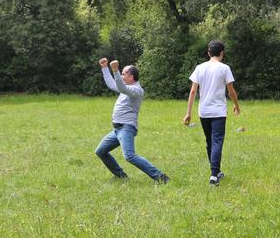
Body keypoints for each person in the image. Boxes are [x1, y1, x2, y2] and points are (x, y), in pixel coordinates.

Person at [95, 58, 169, 184]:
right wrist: (105, 69)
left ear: (132, 77)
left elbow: (122, 88)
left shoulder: (136, 90)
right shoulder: (125, 87)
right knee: (101, 151)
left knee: (129, 155)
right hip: (117, 129)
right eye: (121, 73)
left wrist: (116, 71)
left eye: (124, 74)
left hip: (126, 128)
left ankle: (161, 177)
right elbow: (113, 85)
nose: (122, 76)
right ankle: (121, 176)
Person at [183, 40, 240, 186]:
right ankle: (214, 174)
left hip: (204, 111)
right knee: (217, 142)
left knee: (210, 142)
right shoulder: (224, 68)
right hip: (219, 111)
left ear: (208, 53)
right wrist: (236, 105)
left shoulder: (200, 68)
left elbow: (193, 90)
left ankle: (216, 171)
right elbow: (231, 90)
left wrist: (188, 113)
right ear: (222, 53)